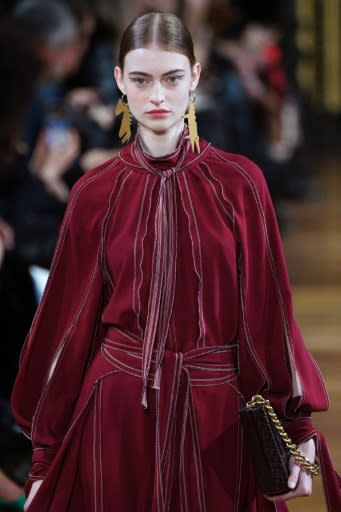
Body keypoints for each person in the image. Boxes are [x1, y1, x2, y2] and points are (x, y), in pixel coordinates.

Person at [11, 11, 341, 512]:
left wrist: (297, 424)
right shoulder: (94, 193)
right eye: (141, 80)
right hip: (117, 411)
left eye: (172, 78)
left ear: (196, 76)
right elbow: (65, 323)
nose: (158, 96)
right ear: (120, 81)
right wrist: (44, 457)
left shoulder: (240, 184)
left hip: (218, 413)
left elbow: (267, 310)